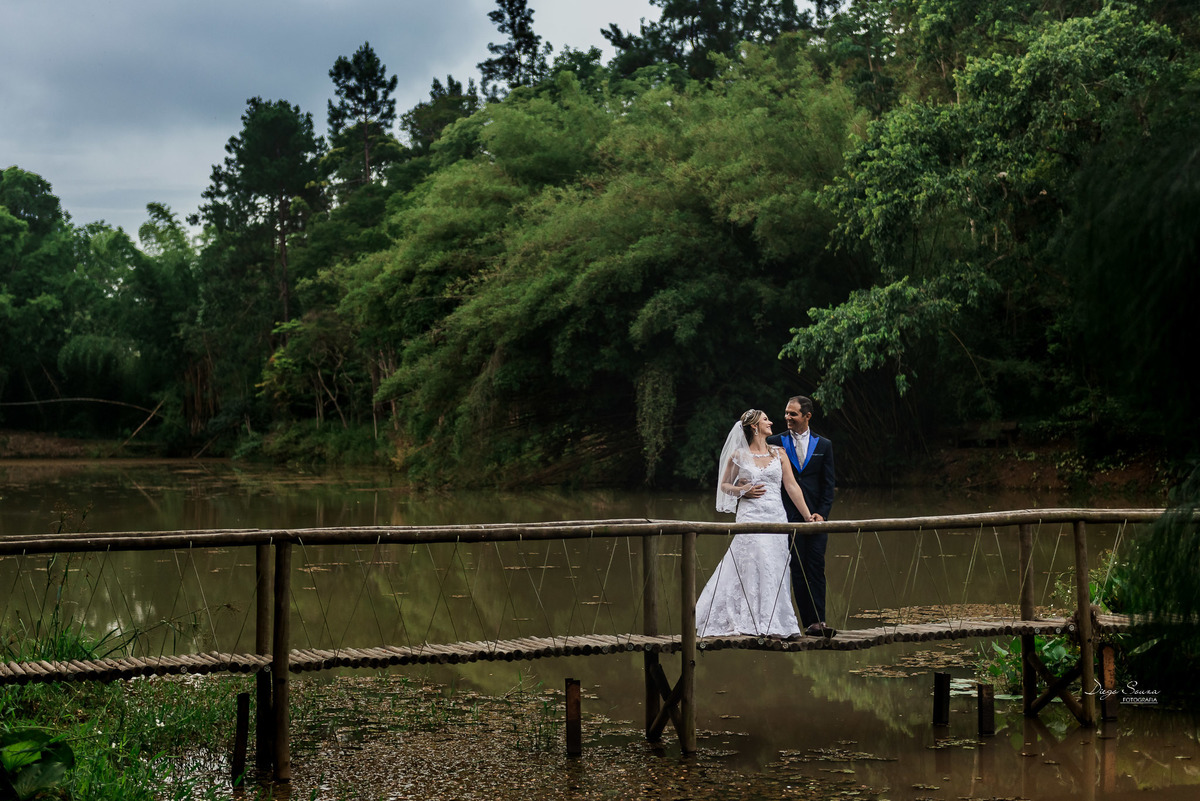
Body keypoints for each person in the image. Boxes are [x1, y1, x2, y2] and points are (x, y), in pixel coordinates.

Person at [696, 409, 814, 639]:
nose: (771, 422)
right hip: (750, 516)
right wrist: (742, 490)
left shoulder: (779, 453)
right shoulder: (739, 455)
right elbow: (725, 486)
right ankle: (753, 619)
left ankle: (778, 622)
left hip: (776, 516)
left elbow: (791, 486)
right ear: (754, 426)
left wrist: (808, 515)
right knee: (755, 562)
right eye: (765, 420)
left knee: (776, 565)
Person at [765, 395, 837, 637]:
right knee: (797, 568)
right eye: (786, 413)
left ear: (807, 416)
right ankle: (809, 622)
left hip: (816, 518)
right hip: (786, 517)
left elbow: (828, 484)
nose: (787, 417)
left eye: (793, 414)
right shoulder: (774, 442)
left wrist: (822, 514)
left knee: (816, 566)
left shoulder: (824, 445)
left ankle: (820, 621)